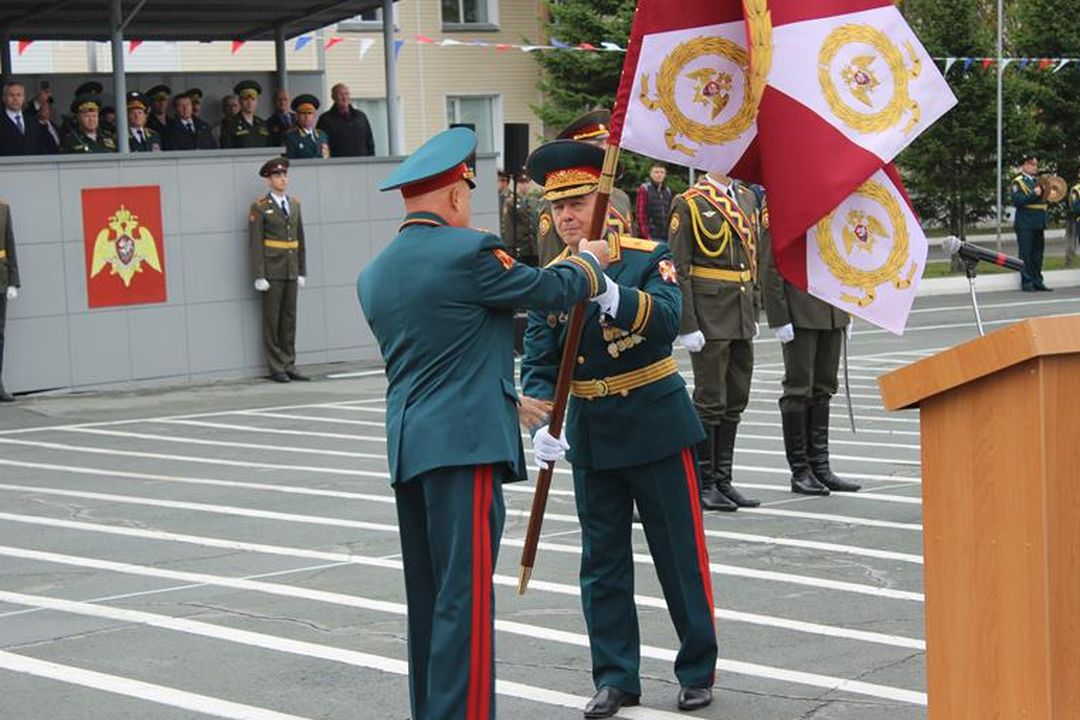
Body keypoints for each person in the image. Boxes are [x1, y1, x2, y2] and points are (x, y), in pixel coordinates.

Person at [357, 127, 611, 720]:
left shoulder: (376, 273)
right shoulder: (468, 251)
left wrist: (509, 399)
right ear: (452, 196)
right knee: (465, 600)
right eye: (467, 197)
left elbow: (439, 355)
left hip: (411, 446)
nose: (469, 208)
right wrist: (590, 262)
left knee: (431, 598)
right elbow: (549, 289)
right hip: (465, 449)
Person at [521, 139, 717, 717]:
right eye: (557, 208)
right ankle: (614, 676)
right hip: (592, 432)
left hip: (654, 423)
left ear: (605, 205)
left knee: (678, 556)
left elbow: (662, 323)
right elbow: (539, 354)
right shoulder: (553, 276)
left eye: (578, 203)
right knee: (601, 563)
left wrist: (607, 290)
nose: (567, 217)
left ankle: (697, 667)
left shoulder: (644, 255)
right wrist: (538, 419)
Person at [668, 173, 762, 511]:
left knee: (736, 398)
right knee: (710, 399)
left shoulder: (748, 198)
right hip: (709, 315)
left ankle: (724, 479)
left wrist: (755, 307)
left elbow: (754, 260)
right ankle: (704, 482)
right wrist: (687, 323)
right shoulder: (690, 202)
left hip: (740, 311)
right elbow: (679, 268)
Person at [761, 208, 860, 496]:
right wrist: (779, 316)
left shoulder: (832, 203)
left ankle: (820, 466)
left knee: (824, 388)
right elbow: (770, 264)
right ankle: (800, 470)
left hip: (831, 309)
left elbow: (844, 256)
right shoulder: (782, 202)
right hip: (800, 309)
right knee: (798, 388)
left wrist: (847, 309)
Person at [537, 109, 635, 265]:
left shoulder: (620, 197)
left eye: (606, 143)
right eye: (598, 145)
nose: (607, 150)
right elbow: (551, 258)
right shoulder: (557, 201)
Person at [249, 158, 308, 383]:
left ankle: (289, 363)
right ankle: (276, 367)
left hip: (291, 270)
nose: (282, 179)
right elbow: (255, 243)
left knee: (289, 319)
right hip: (272, 271)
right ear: (269, 180)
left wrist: (302, 270)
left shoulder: (294, 204)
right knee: (272, 321)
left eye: (284, 175)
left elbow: (300, 238)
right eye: (277, 176)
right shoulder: (260, 207)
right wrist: (259, 275)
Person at [1011, 155, 1051, 292]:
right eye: (1031, 164)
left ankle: (1037, 280)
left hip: (1038, 223)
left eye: (1035, 165)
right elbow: (1018, 201)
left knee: (1038, 254)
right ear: (1024, 166)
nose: (1034, 167)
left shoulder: (1038, 181)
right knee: (1026, 254)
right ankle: (1026, 281)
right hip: (1025, 223)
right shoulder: (1018, 182)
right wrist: (1034, 193)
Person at [316, 83, 375, 157]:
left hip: (362, 164)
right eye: (340, 94)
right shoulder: (325, 119)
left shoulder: (361, 116)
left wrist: (371, 160)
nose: (344, 97)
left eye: (346, 94)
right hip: (338, 165)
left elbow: (370, 142)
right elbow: (322, 146)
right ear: (333, 97)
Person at [0, 199, 19, 402]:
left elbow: (9, 244)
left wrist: (13, 281)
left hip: (1, 280)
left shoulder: (4, 208)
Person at [500, 171, 539, 266]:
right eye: (521, 182)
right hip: (520, 249)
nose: (524, 185)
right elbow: (508, 227)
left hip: (534, 249)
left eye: (526, 182)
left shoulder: (535, 201)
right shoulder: (510, 202)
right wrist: (509, 247)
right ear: (517, 184)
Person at [221, 80, 272, 149]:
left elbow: (269, 147)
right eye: (246, 99)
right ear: (240, 101)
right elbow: (227, 148)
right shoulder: (231, 124)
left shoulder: (263, 124)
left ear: (257, 102)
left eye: (253, 99)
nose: (249, 103)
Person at [0, 80, 43, 156]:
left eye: (19, 95)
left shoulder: (33, 121)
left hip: (33, 165)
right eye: (11, 95)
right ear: (3, 98)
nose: (15, 99)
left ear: (23, 98)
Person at [636, 162, 674, 242]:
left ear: (665, 175)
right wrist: (646, 236)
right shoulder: (645, 189)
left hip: (666, 234)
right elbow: (641, 215)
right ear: (651, 174)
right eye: (656, 172)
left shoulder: (667, 191)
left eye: (662, 172)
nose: (659, 175)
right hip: (651, 234)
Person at [283, 95, 330, 159]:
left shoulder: (322, 136)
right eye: (303, 113)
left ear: (314, 116)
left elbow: (326, 157)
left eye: (310, 113)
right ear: (297, 116)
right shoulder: (291, 137)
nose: (306, 116)